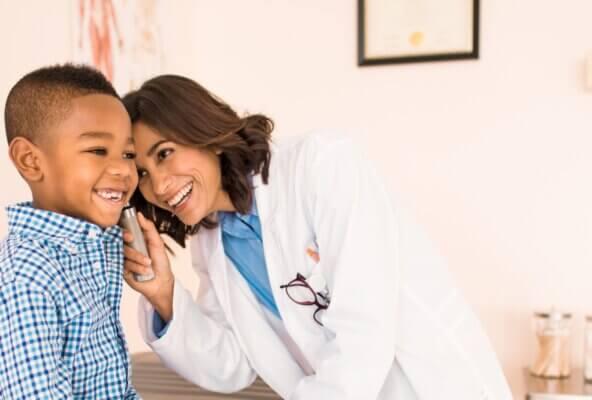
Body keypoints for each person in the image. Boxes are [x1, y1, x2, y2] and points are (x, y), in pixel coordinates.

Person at [122, 74, 512, 399]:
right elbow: (232, 365)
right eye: (141, 172)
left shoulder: (321, 165)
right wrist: (163, 295)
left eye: (164, 153)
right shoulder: (214, 246)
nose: (158, 184)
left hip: (432, 385)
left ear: (202, 131)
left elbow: (364, 327)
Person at [0, 64, 139, 399]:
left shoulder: (94, 246)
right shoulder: (26, 277)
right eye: (97, 150)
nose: (123, 168)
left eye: (129, 154)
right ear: (30, 160)